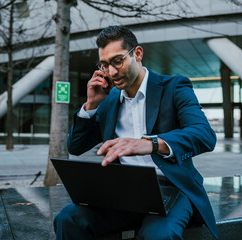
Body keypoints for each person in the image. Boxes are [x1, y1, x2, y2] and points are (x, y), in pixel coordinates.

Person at [54, 25, 218, 240]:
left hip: (170, 188)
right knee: (68, 219)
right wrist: (90, 105)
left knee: (158, 236)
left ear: (138, 54)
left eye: (118, 61)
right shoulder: (107, 101)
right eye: (104, 65)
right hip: (123, 191)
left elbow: (204, 134)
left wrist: (151, 143)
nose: (111, 72)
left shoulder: (174, 87)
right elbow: (75, 147)